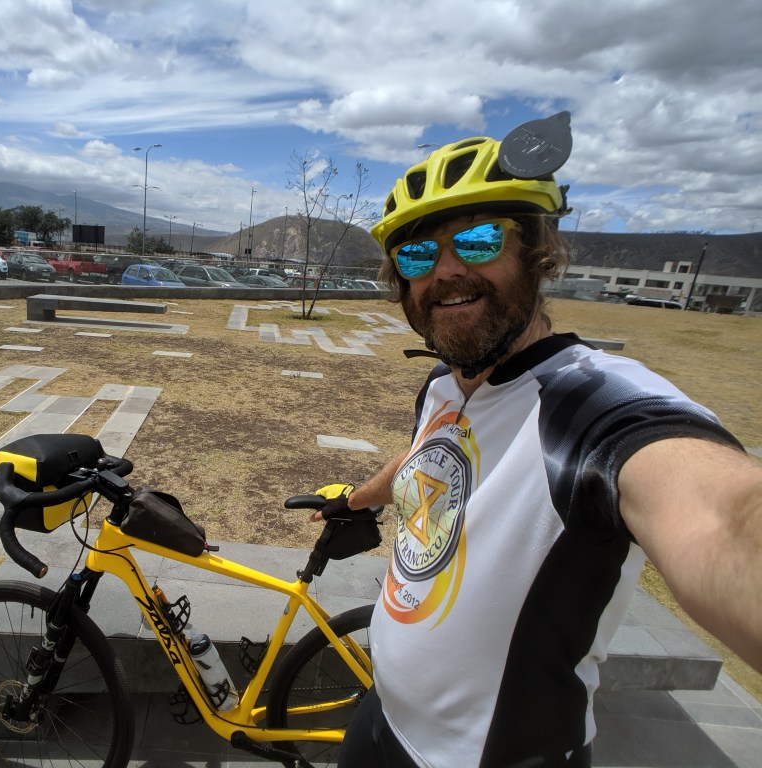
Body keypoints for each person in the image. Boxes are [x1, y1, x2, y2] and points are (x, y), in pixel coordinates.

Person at [312, 115, 762, 768]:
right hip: (382, 721)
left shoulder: (591, 404)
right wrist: (356, 499)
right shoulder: (444, 386)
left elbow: (723, 518)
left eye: (478, 240)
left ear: (535, 252)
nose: (445, 271)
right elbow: (425, 457)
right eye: (417, 256)